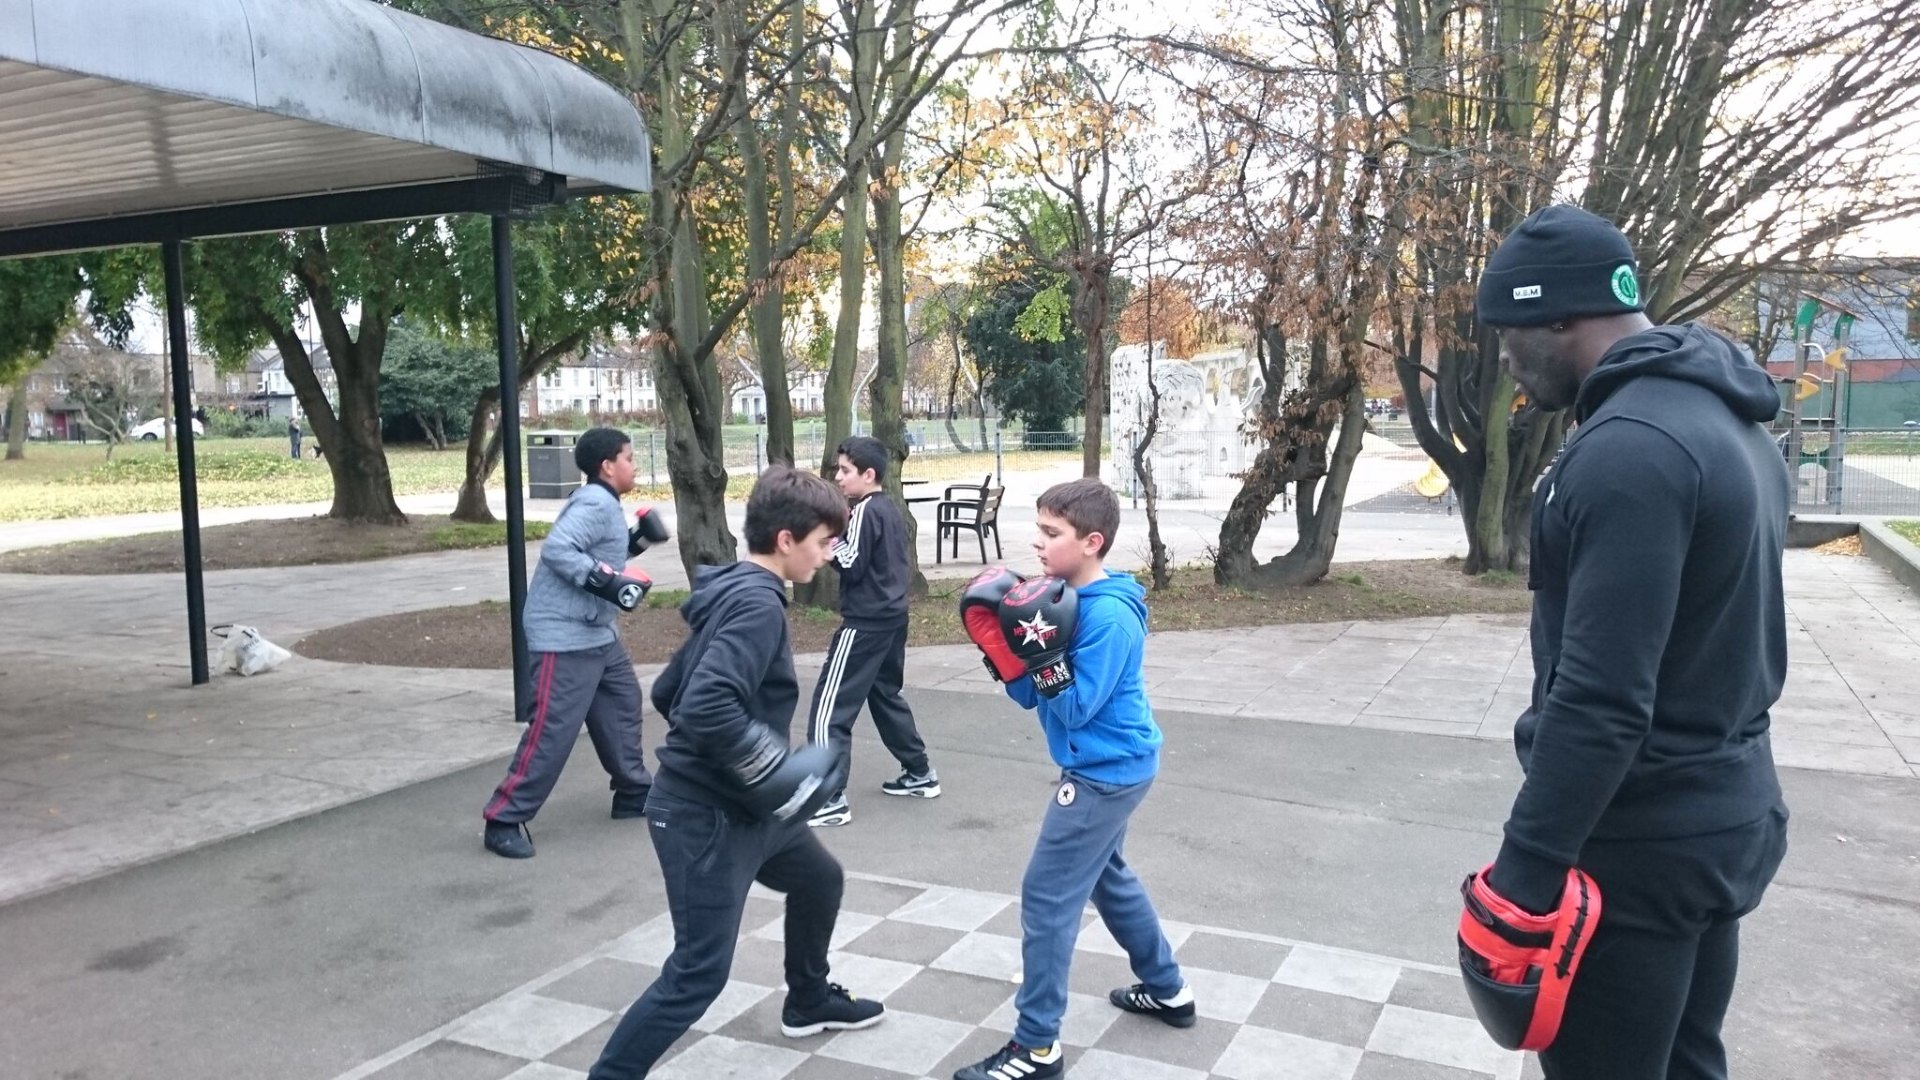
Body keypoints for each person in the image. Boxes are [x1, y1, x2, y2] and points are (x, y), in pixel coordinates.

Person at [1458, 205, 1791, 1079]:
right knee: (1685, 1062)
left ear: (1559, 314)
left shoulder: (1628, 451)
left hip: (1638, 848)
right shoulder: (1734, 426)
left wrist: (1524, 871)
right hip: (1721, 814)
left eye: (1508, 332)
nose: (1503, 358)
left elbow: (1602, 697)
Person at [589, 466, 885, 1079]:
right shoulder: (755, 606)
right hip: (703, 817)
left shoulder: (732, 589)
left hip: (744, 808)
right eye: (824, 542)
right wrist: (770, 766)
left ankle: (807, 1001)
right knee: (699, 973)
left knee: (818, 880)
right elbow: (701, 704)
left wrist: (755, 778)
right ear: (785, 539)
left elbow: (672, 691)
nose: (830, 557)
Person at [954, 478, 1191, 1080]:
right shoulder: (1061, 598)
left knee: (1047, 896)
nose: (1037, 543)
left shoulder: (1109, 617)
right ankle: (1168, 989)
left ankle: (1036, 1047)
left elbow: (1076, 707)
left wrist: (1037, 655)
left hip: (1102, 773)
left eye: (1050, 533)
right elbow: (1036, 702)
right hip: (1108, 764)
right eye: (1038, 529)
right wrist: (1006, 653)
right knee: (1107, 878)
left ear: (1091, 542)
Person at [480, 427, 665, 859]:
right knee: (554, 729)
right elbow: (560, 550)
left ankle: (634, 793)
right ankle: (503, 818)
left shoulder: (604, 503)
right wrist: (607, 583)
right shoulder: (595, 502)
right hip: (563, 635)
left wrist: (637, 540)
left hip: (597, 633)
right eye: (629, 458)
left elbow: (600, 553)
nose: (634, 465)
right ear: (607, 466)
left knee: (621, 703)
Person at [803, 435, 938, 828]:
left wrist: (826, 542)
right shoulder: (890, 509)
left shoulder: (863, 511)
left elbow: (853, 562)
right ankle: (919, 773)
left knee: (829, 708)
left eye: (845, 471)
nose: (838, 478)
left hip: (865, 623)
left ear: (869, 474)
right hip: (893, 618)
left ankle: (828, 798)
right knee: (884, 695)